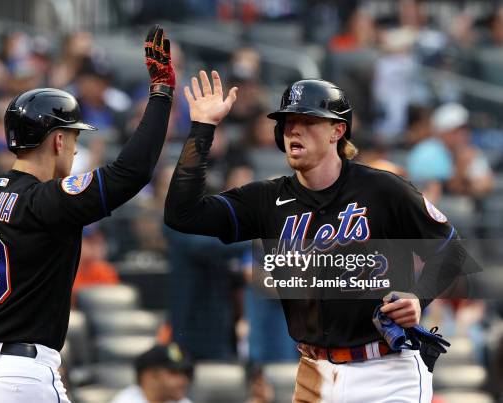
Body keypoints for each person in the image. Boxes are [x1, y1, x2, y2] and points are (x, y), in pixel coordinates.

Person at [0, 24, 175, 403]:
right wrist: (160, 94)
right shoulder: (49, 200)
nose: (75, 150)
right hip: (19, 373)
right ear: (58, 140)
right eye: (74, 138)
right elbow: (133, 172)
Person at [164, 72, 472, 402]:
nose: (293, 129)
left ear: (337, 131)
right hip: (314, 373)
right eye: (287, 121)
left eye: (307, 120)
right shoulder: (268, 200)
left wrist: (417, 297)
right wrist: (202, 129)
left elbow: (451, 251)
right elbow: (182, 215)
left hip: (387, 371)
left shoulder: (384, 190)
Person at [110, 343, 193, 403]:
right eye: (174, 373)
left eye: (185, 373)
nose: (184, 380)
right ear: (149, 376)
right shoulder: (126, 400)